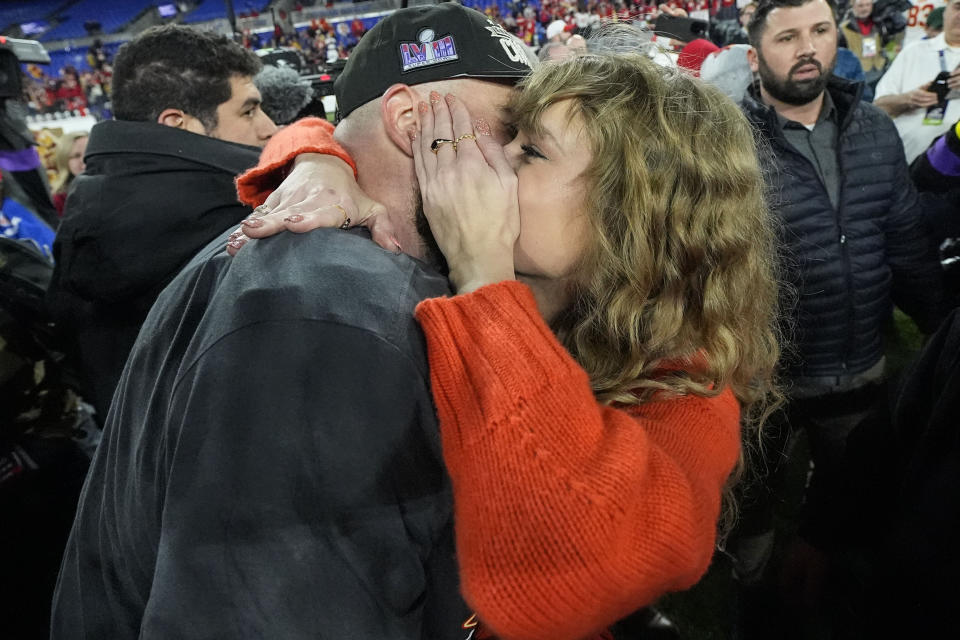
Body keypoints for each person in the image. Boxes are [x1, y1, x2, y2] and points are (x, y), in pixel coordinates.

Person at [227, 23, 782, 640]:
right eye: (506, 138)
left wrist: (484, 274)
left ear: (629, 209)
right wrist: (319, 156)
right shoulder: (450, 265)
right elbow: (357, 128)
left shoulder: (688, 381)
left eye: (530, 152)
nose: (489, 159)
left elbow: (576, 569)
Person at [51, 5, 531, 638]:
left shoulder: (336, 275)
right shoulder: (325, 312)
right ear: (413, 123)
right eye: (514, 133)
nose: (522, 163)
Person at [736, 0, 945, 632]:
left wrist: (940, 325)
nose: (808, 47)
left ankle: (831, 594)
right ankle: (749, 597)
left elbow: (906, 240)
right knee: (749, 505)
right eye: (788, 36)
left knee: (850, 503)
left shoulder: (875, 131)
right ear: (754, 55)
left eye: (821, 31)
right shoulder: (727, 147)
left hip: (859, 370)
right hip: (763, 384)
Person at [45, 25, 278, 423]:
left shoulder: (86, 207)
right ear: (177, 124)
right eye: (248, 110)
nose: (269, 127)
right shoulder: (234, 217)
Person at [875, 0, 960, 162]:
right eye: (958, 7)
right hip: (906, 162)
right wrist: (908, 99)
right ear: (945, 11)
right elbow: (879, 107)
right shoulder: (914, 52)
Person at [840, 0, 902, 89]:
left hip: (879, 72)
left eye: (867, 5)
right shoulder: (844, 28)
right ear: (853, 6)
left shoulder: (880, 24)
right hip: (856, 76)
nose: (865, 8)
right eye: (860, 6)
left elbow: (889, 43)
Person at [49, 130, 87, 216]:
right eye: (77, 155)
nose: (85, 160)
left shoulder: (113, 188)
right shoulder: (59, 201)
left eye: (89, 152)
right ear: (64, 161)